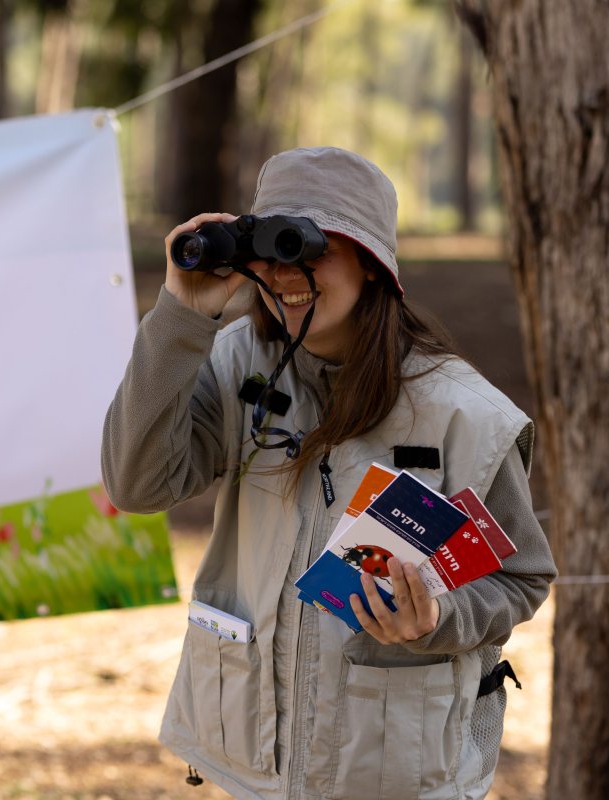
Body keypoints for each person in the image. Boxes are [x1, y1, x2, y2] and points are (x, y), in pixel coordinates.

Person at [101, 146, 556, 800]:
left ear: (373, 266)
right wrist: (181, 315)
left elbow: (521, 577)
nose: (287, 273)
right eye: (271, 248)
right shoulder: (237, 366)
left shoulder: (464, 415)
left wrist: (437, 617)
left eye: (310, 248)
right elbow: (135, 483)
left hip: (396, 766)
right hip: (257, 761)